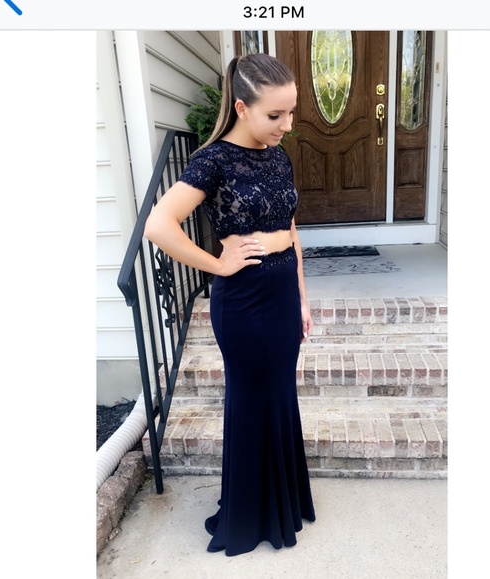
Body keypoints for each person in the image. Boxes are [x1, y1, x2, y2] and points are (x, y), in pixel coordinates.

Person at [144, 53, 316, 556]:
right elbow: (158, 225)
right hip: (243, 302)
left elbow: (291, 231)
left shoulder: (278, 156)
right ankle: (250, 515)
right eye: (275, 115)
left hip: (281, 298)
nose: (287, 125)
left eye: (290, 113)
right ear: (241, 107)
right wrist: (217, 265)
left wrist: (302, 298)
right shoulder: (213, 160)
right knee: (252, 400)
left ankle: (281, 503)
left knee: (279, 395)